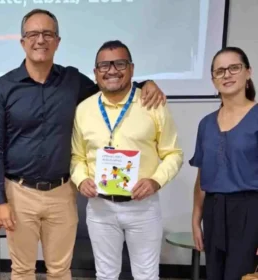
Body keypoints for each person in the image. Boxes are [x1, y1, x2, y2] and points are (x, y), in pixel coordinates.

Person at [0, 8, 167, 280]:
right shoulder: (2, 88)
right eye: (32, 34)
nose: (40, 40)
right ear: (22, 42)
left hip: (62, 192)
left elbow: (111, 86)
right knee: (22, 270)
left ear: (57, 41)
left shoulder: (73, 81)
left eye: (47, 33)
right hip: (18, 193)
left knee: (60, 270)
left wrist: (145, 83)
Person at [70, 40, 183, 280]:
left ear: (131, 68)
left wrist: (155, 181)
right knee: (106, 274)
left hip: (142, 206)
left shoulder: (152, 104)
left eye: (119, 63)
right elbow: (77, 156)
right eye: (104, 65)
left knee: (146, 274)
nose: (111, 70)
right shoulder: (84, 109)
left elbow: (174, 153)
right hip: (100, 208)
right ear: (95, 72)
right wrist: (81, 180)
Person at [190, 46, 258, 280]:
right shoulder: (206, 124)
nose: (226, 75)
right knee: (215, 275)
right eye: (219, 71)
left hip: (250, 211)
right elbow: (202, 177)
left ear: (248, 72)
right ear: (212, 79)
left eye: (234, 68)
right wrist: (196, 219)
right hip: (214, 210)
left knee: (240, 275)